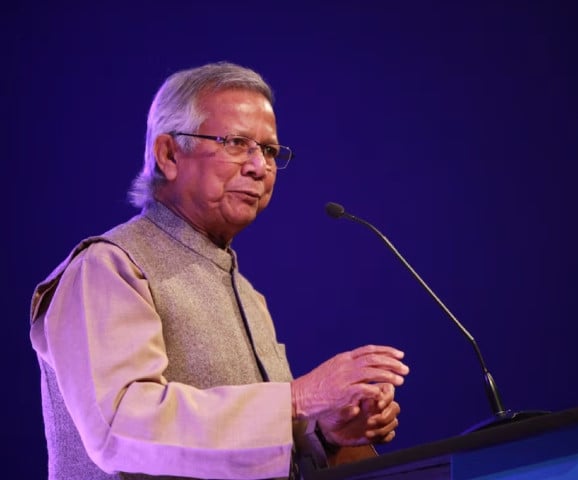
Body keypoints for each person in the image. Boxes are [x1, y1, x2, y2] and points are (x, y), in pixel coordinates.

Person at [29, 61, 409, 480]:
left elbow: (249, 444)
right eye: (235, 143)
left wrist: (325, 433)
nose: (259, 167)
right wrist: (299, 398)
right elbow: (120, 426)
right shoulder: (108, 267)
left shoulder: (248, 295)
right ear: (169, 155)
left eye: (268, 150)